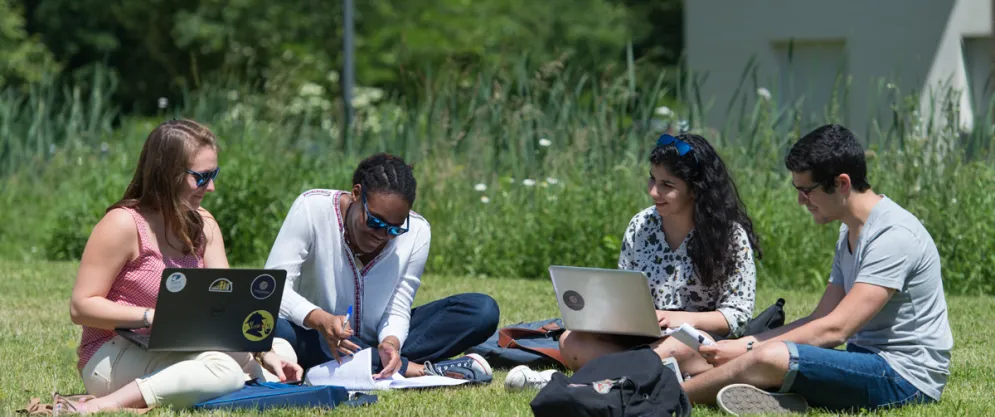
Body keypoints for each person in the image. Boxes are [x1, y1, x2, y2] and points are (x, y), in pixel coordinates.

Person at [683, 124, 952, 414]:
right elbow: (821, 318)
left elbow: (836, 329)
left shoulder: (894, 236)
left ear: (842, 184)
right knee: (725, 353)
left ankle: (672, 395)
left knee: (771, 357)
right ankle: (779, 395)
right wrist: (747, 343)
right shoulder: (850, 230)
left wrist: (748, 349)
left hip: (906, 378)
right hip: (865, 361)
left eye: (806, 191)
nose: (801, 200)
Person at [59, 120, 301, 415]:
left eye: (214, 174)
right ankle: (100, 405)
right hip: (114, 351)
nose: (211, 187)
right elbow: (81, 307)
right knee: (224, 371)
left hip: (183, 346)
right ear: (167, 174)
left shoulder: (205, 224)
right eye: (202, 177)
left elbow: (229, 306)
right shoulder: (123, 224)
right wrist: (152, 317)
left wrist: (263, 352)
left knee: (282, 350)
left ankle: (199, 382)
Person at [505, 133, 762, 391]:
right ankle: (650, 376)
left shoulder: (730, 236)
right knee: (571, 341)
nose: (653, 191)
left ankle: (584, 381)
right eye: (652, 179)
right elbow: (624, 291)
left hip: (693, 342)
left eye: (667, 185)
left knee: (678, 348)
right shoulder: (641, 225)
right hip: (640, 340)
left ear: (695, 189)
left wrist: (679, 320)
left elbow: (736, 316)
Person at [267, 153, 500, 382]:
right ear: (356, 193)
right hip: (317, 335)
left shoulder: (418, 231)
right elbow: (272, 290)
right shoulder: (312, 208)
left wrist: (391, 343)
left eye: (394, 229)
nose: (382, 235)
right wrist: (321, 320)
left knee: (481, 311)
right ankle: (413, 370)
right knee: (272, 326)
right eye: (374, 222)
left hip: (373, 341)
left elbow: (398, 308)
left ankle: (378, 361)